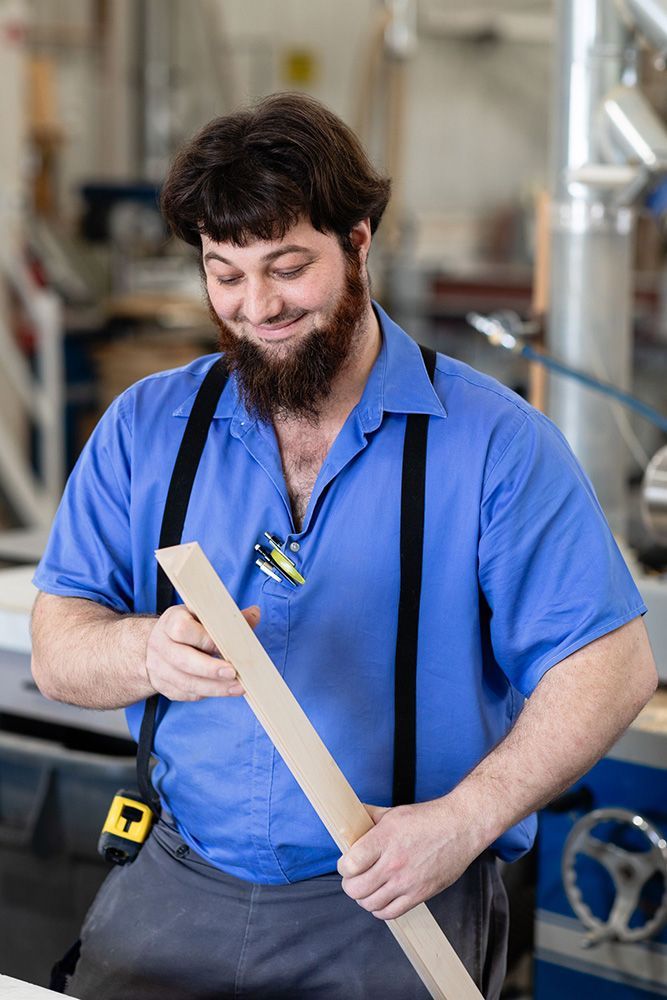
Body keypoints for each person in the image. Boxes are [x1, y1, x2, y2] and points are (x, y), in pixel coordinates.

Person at [31, 92, 657, 1000]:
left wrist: (460, 822)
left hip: (396, 899)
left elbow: (613, 665)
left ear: (359, 242)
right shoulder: (147, 426)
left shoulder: (493, 444)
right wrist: (143, 650)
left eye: (287, 267)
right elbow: (58, 648)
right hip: (177, 879)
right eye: (225, 273)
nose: (257, 306)